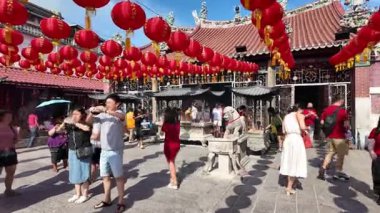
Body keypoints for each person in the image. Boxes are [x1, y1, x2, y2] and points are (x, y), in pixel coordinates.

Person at [87, 94, 126, 212]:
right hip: (103, 151)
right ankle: (107, 199)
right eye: (106, 102)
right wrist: (91, 111)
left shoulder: (119, 114)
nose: (107, 104)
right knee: (105, 177)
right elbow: (88, 121)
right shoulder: (102, 115)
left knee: (119, 177)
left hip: (115, 151)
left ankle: (121, 202)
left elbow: (122, 117)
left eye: (109, 102)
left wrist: (107, 110)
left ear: (117, 104)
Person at [59, 107, 92, 204]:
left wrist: (76, 123)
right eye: (73, 114)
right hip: (72, 151)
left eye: (77, 114)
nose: (74, 116)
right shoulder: (70, 125)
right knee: (74, 172)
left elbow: (87, 128)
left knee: (84, 172)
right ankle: (77, 194)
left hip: (83, 151)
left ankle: (84, 194)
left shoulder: (86, 123)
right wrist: (62, 123)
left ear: (82, 115)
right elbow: (59, 131)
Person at [318, 98, 350, 181]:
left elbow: (322, 122)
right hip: (340, 136)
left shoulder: (326, 110)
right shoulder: (342, 111)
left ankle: (323, 168)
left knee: (330, 153)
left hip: (330, 136)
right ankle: (338, 172)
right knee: (340, 155)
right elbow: (346, 125)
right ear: (341, 101)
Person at [279, 105, 308, 196]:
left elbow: (284, 131)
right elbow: (303, 127)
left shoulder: (285, 117)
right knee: (295, 162)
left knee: (289, 161)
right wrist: (307, 129)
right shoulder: (299, 114)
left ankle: (292, 183)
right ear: (298, 110)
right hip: (296, 139)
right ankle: (289, 187)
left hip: (288, 139)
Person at [0, 110, 20, 197]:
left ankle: (8, 190)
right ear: (2, 117)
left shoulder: (12, 127)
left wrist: (18, 134)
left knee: (11, 173)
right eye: (8, 116)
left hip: (10, 152)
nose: (10, 118)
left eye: (11, 117)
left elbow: (15, 141)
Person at [161, 108, 181, 190]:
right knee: (171, 161)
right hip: (176, 145)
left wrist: (163, 122)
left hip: (169, 145)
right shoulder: (177, 124)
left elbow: (161, 132)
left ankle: (174, 181)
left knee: (171, 162)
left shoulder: (166, 124)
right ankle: (172, 178)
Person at [368, 117, 380, 205]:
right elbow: (370, 144)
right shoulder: (375, 131)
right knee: (377, 176)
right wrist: (371, 152)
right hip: (378, 158)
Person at [90, 115, 102, 183]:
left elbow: (96, 136)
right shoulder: (101, 123)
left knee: (94, 163)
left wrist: (88, 137)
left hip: (96, 144)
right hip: (99, 145)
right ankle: (94, 177)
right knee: (95, 163)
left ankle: (93, 177)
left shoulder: (96, 123)